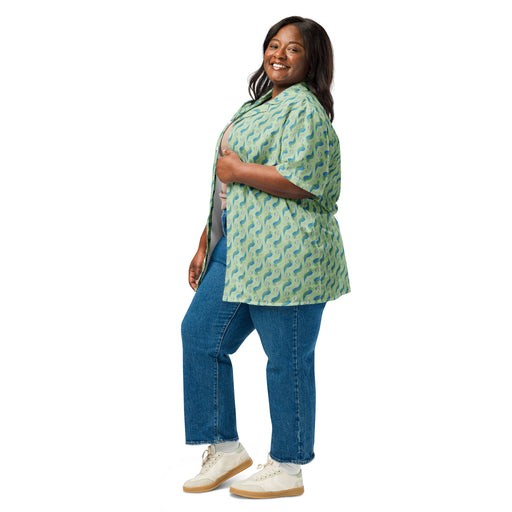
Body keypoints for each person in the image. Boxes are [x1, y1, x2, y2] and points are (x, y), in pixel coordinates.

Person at [181, 16, 350, 499]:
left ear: (311, 61)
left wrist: (238, 171)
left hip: (288, 255)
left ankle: (289, 465)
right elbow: (227, 184)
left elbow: (301, 181)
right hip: (237, 247)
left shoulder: (306, 111)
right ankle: (224, 446)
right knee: (200, 336)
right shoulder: (257, 106)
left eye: (293, 49)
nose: (279, 54)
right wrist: (207, 240)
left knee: (286, 359)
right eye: (273, 45)